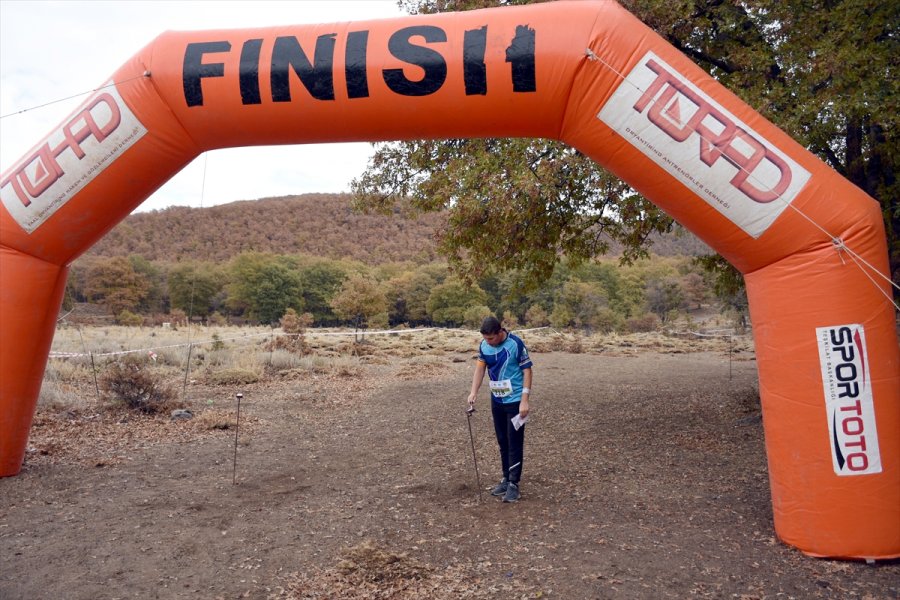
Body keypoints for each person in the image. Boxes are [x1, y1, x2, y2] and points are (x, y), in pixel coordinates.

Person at [467, 316, 533, 503]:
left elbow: (527, 371)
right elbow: (480, 369)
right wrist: (473, 392)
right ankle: (506, 477)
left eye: (491, 338)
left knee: (514, 442)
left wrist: (524, 400)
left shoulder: (516, 344)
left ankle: (514, 483)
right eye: (486, 339)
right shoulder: (485, 346)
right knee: (502, 441)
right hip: (497, 400)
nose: (488, 342)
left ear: (500, 332)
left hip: (515, 401)